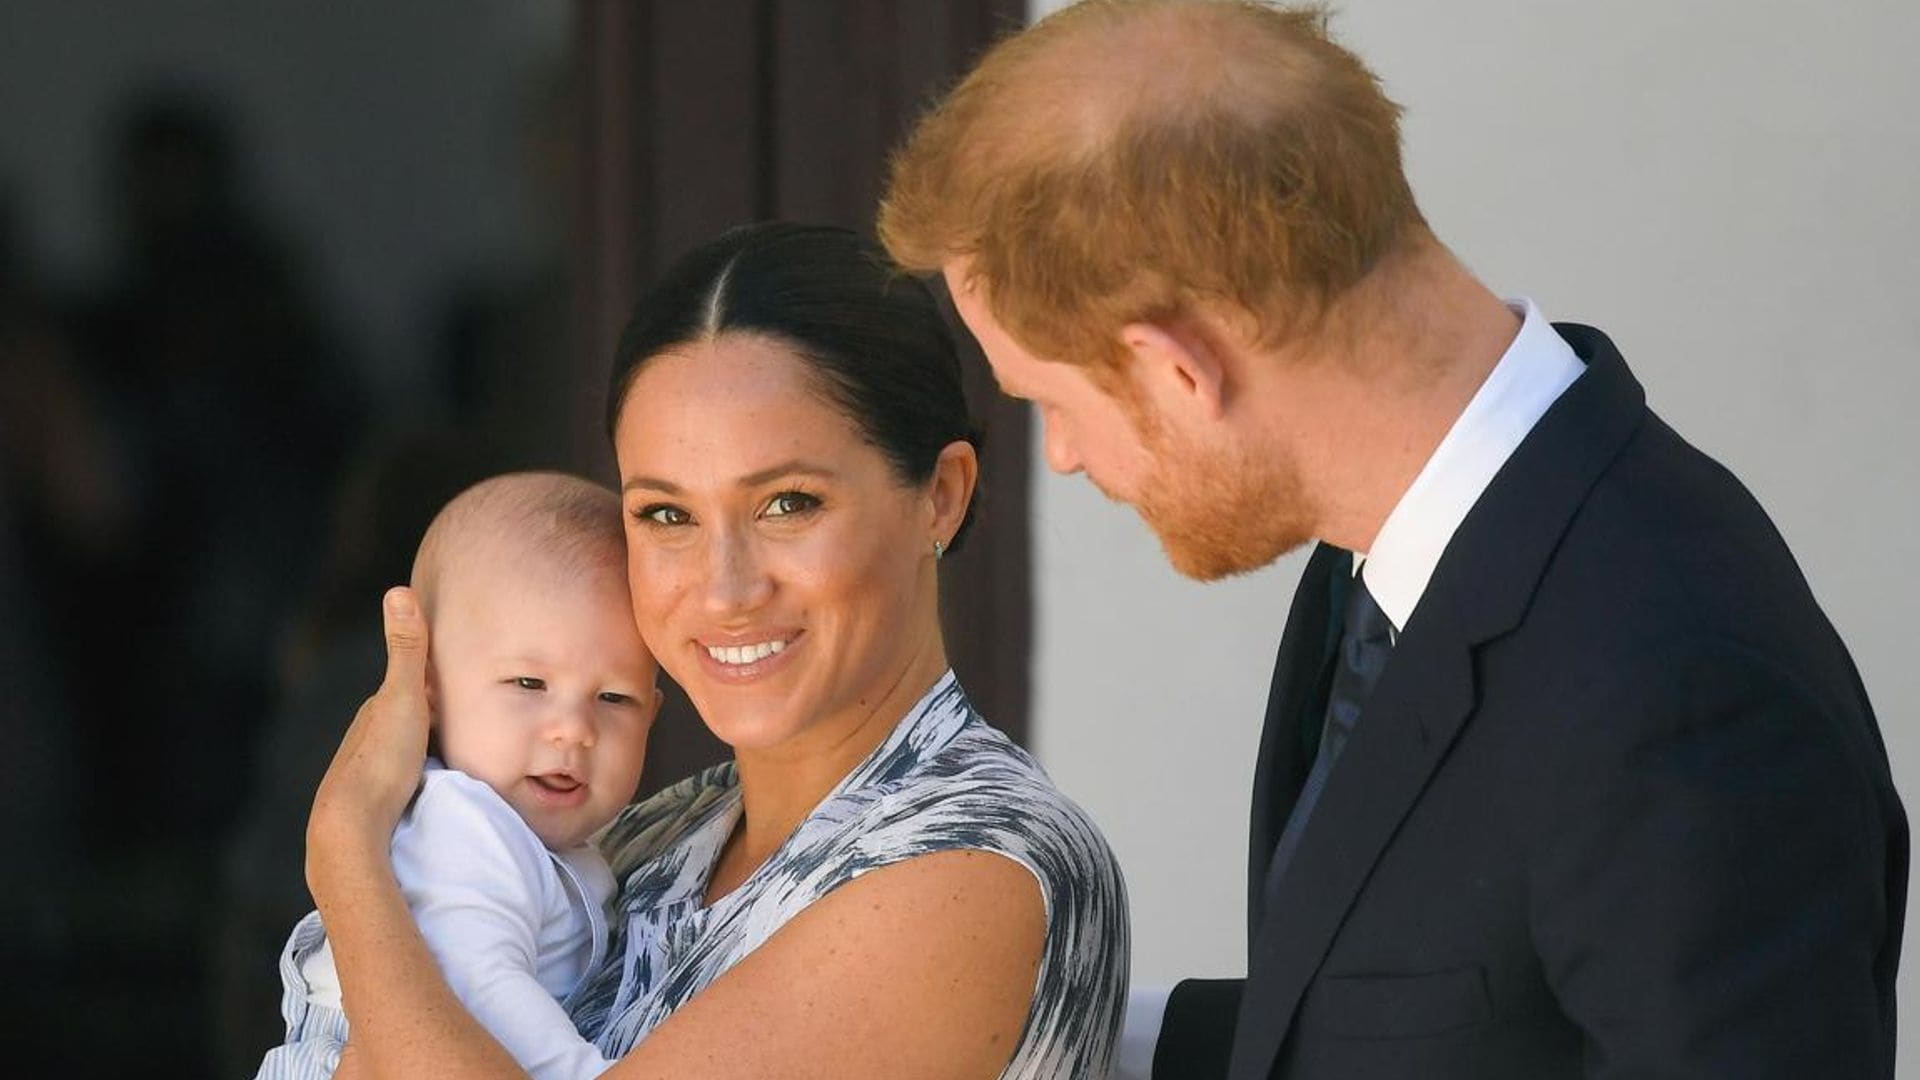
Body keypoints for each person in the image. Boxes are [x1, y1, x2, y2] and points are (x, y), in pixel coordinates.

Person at [878, 2, 1906, 1078]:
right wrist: (1034, 1032)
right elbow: (1437, 1019)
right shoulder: (1392, 553)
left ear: (1180, 370)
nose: (1066, 457)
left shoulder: (1677, 690)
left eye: (1051, 401)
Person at [302, 222, 1128, 1078]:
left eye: (788, 504)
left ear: (941, 498)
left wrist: (347, 853)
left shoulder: (971, 866)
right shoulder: (657, 835)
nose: (725, 590)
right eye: (667, 514)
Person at [259, 471, 659, 1078]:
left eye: (614, 698)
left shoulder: (555, 842)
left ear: (653, 714)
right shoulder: (463, 827)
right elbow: (480, 988)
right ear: (430, 690)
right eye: (529, 684)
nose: (573, 729)